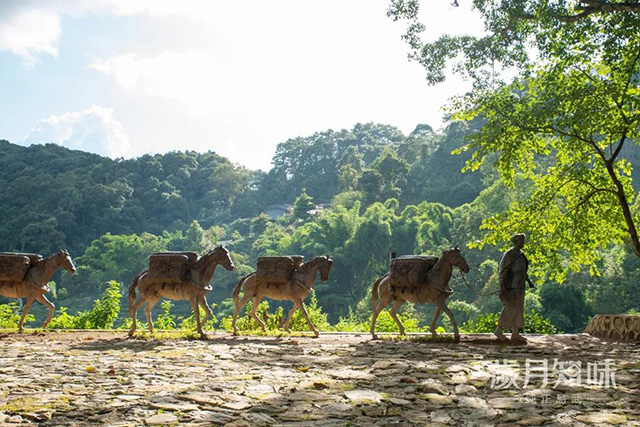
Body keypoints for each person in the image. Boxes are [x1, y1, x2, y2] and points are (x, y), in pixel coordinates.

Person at [494, 233, 534, 342]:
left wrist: (528, 281)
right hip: (512, 285)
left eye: (523, 241)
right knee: (509, 306)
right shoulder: (509, 255)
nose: (523, 243)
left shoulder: (521, 255)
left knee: (519, 307)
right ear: (516, 241)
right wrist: (503, 287)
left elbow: (523, 271)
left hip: (520, 285)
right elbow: (503, 272)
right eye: (521, 241)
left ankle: (515, 333)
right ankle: (499, 329)